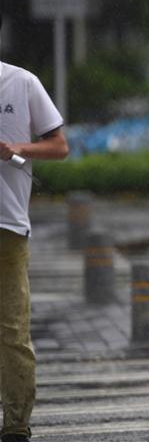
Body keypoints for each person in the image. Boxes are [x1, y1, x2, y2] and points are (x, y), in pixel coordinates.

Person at [0, 23, 69, 442]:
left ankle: (15, 423)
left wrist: (18, 149)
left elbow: (59, 146)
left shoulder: (21, 82)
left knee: (11, 329)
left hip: (7, 224)